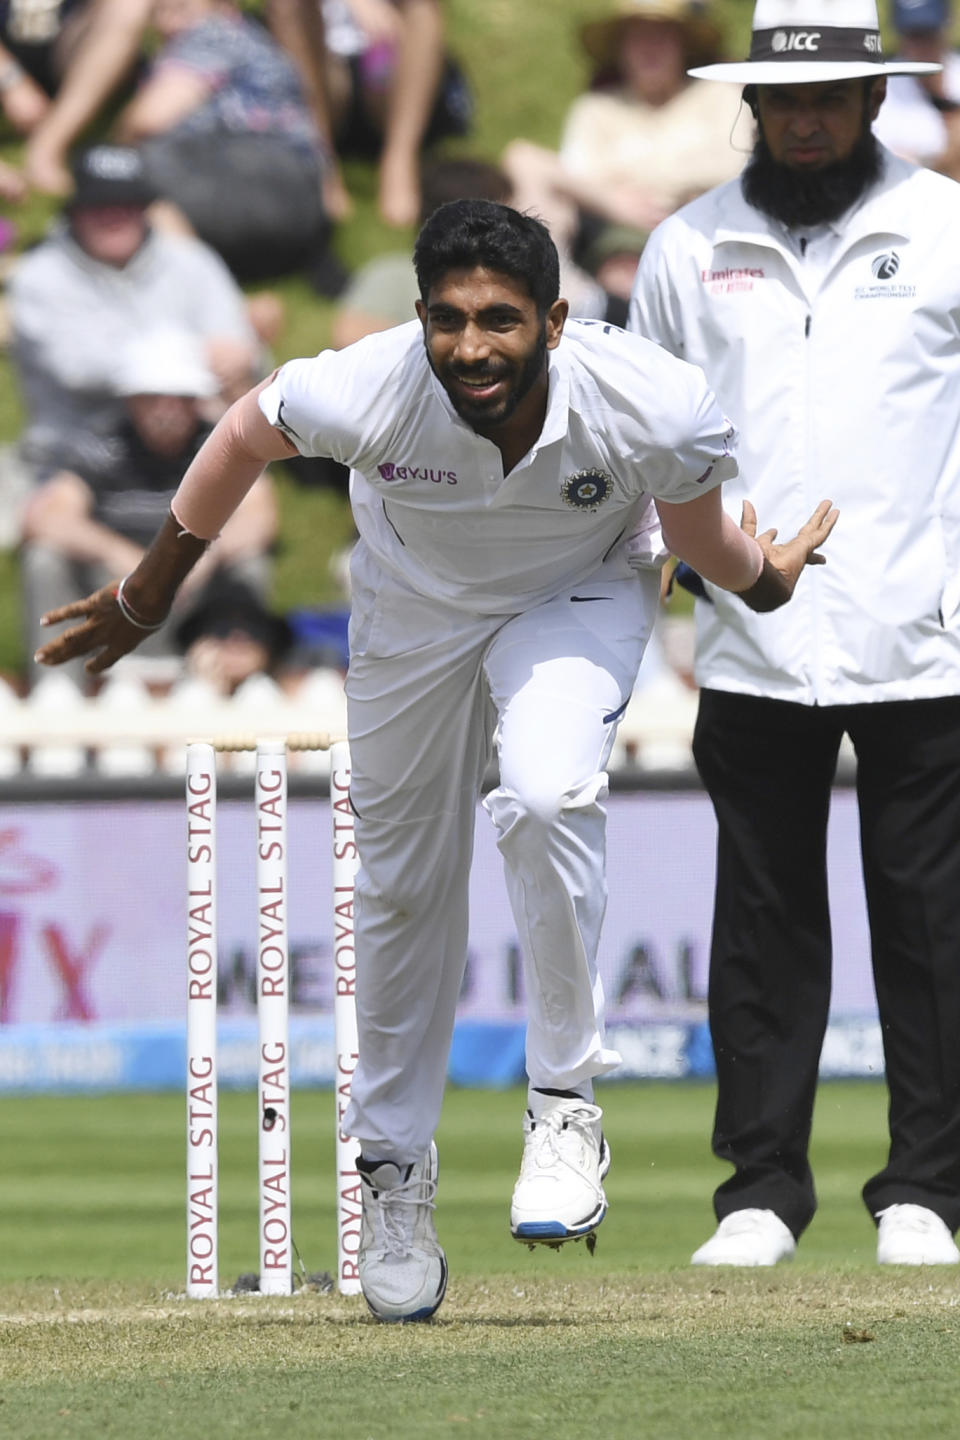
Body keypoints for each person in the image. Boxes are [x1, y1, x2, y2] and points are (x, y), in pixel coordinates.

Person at [34, 200, 835, 1320]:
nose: (472, 349)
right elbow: (242, 433)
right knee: (402, 889)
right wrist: (147, 589)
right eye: (448, 321)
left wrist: (767, 581)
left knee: (550, 795)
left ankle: (563, 1105)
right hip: (411, 609)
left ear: (555, 321)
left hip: (581, 591)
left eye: (501, 321)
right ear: (418, 319)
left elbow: (703, 545)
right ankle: (394, 1179)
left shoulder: (653, 402)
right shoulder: (365, 385)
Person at [629, 0, 960, 1269]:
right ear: (753, 107)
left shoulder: (941, 230)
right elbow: (647, 437)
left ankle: (929, 1187)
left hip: (925, 636)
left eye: (830, 98)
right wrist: (672, 572)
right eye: (785, 101)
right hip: (753, 637)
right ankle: (761, 1192)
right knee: (763, 921)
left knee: (931, 923)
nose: (807, 120)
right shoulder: (686, 247)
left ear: (876, 100)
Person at [21, 326, 277, 690]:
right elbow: (46, 517)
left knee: (250, 564)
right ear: (131, 400)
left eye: (179, 398)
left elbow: (261, 516)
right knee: (44, 561)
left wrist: (196, 558)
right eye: (152, 398)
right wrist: (121, 555)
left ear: (197, 400)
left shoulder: (220, 442)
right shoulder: (104, 445)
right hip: (112, 593)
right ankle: (57, 691)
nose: (166, 410)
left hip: (196, 595)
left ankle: (233, 686)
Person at [8, 143, 262, 480]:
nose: (114, 216)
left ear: (146, 209)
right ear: (74, 212)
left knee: (247, 512)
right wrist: (200, 355)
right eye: (98, 205)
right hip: (74, 458)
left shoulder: (192, 260)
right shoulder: (38, 276)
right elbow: (80, 370)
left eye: (127, 204)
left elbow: (244, 352)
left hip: (191, 449)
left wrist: (236, 358)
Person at [503, 0, 753, 311]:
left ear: (683, 44)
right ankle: (552, 293)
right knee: (529, 176)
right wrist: (614, 203)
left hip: (702, 229)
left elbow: (735, 166)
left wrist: (632, 184)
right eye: (638, 38)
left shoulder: (721, 95)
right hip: (610, 233)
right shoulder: (597, 108)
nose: (650, 50)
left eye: (660, 37)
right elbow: (573, 173)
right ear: (620, 49)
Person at [114, 0, 332, 284]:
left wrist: (115, 152)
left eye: (183, 6)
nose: (168, 14)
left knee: (123, 174)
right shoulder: (253, 38)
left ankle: (201, 290)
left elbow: (147, 120)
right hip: (301, 205)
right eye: (160, 7)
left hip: (250, 179)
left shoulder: (212, 33)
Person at [872, 0, 960, 177]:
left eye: (928, 33)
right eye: (913, 35)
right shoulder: (885, 86)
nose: (921, 45)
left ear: (945, 28)